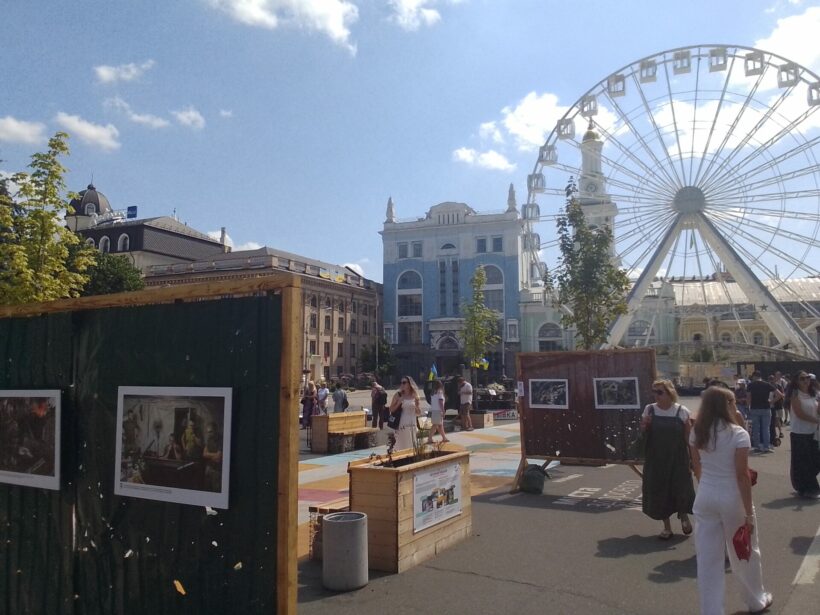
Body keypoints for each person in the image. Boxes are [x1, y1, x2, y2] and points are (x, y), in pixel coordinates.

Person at [689, 386, 772, 614]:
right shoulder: (738, 434)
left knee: (708, 559)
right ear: (726, 405)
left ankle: (711, 610)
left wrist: (706, 486)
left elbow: (697, 467)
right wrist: (749, 513)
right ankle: (755, 600)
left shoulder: (697, 432)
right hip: (731, 496)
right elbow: (742, 475)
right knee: (745, 552)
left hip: (706, 494)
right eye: (733, 402)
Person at [640, 379, 695, 539]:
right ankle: (667, 528)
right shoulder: (649, 409)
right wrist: (644, 426)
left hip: (678, 458)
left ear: (670, 393)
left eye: (660, 392)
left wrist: (693, 458)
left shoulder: (681, 411)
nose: (656, 395)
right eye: (654, 392)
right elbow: (643, 433)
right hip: (656, 458)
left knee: (681, 488)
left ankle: (683, 515)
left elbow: (688, 437)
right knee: (660, 491)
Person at [787, 371, 820, 499]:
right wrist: (817, 421)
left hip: (813, 432)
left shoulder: (814, 393)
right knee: (804, 462)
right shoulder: (795, 394)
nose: (806, 380)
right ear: (796, 381)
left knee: (815, 460)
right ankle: (810, 488)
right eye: (802, 379)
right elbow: (799, 413)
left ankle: (803, 484)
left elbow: (817, 410)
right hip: (800, 432)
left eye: (807, 378)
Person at [746, 372, 780, 453]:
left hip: (754, 408)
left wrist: (748, 407)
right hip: (766, 408)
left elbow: (748, 397)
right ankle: (766, 447)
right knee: (766, 428)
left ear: (754, 377)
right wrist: (771, 401)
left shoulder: (750, 385)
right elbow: (779, 395)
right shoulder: (767, 384)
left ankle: (757, 447)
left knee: (756, 429)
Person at [388, 376, 421, 451]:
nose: (402, 384)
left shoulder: (415, 396)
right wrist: (399, 402)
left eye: (404, 382)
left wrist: (416, 406)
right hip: (402, 422)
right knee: (401, 443)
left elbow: (418, 413)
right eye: (401, 383)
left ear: (409, 384)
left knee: (412, 442)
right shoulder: (398, 395)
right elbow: (391, 409)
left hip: (412, 422)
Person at [427, 379, 449, 444]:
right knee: (435, 425)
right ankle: (429, 438)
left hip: (434, 410)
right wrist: (443, 410)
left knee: (440, 425)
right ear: (441, 385)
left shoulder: (433, 392)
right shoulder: (440, 391)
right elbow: (440, 401)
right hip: (438, 410)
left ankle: (444, 438)